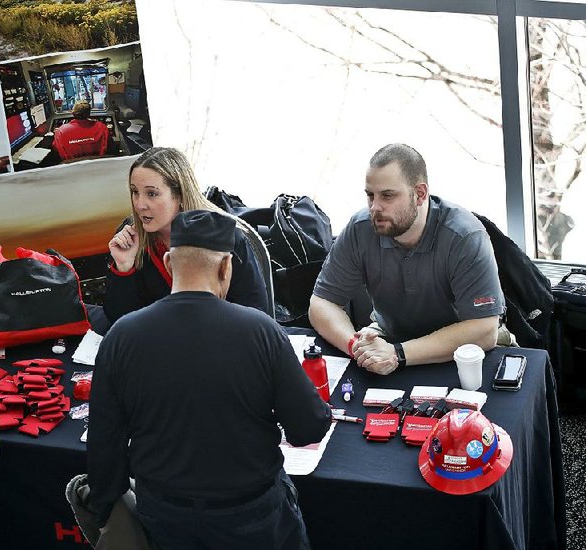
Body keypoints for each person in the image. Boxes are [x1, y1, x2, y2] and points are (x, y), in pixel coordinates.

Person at [89, 210, 332, 549]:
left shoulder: (122, 336)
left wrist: (106, 513)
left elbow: (104, 444)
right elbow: (309, 427)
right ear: (225, 267)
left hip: (164, 518)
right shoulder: (261, 331)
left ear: (171, 263)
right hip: (252, 518)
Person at [309, 143, 505, 375]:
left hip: (459, 349)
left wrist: (397, 354)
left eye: (387, 196)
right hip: (389, 337)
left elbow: (484, 329)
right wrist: (357, 347)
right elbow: (321, 304)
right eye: (370, 195)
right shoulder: (360, 228)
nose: (375, 207)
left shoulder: (464, 235)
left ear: (420, 194)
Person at [103, 147, 268, 323]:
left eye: (151, 193)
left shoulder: (227, 237)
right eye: (135, 192)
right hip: (159, 344)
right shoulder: (131, 237)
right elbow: (119, 321)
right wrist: (124, 267)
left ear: (180, 195)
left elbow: (256, 314)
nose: (140, 204)